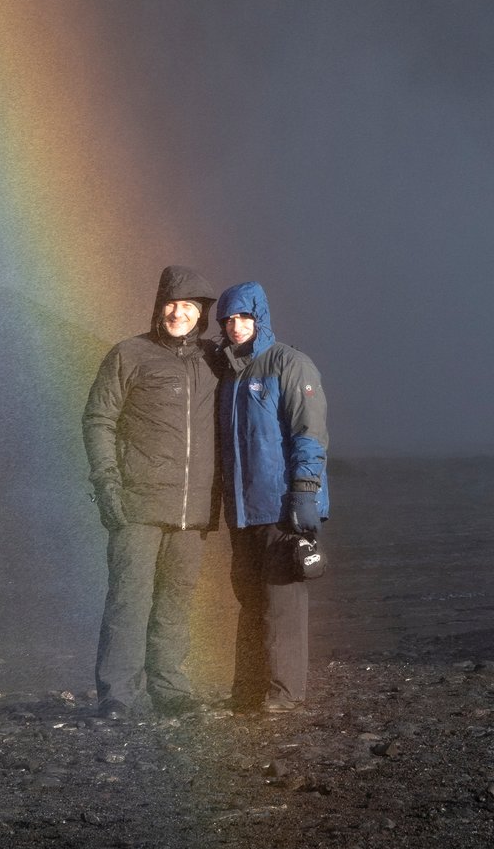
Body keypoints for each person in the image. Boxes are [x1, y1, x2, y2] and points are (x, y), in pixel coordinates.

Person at [81, 264, 219, 719]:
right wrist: (106, 484)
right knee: (128, 599)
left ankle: (169, 688)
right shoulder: (129, 354)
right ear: (160, 307)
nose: (179, 313)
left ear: (202, 313)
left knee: (176, 603)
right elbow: (99, 420)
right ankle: (117, 694)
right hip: (137, 502)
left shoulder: (216, 361)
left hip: (193, 509)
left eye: (190, 306)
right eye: (172, 304)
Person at [213, 281, 328, 713]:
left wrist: (304, 493)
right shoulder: (230, 373)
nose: (235, 326)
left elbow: (310, 432)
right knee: (248, 598)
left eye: (244, 317)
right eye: (228, 319)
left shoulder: (289, 363)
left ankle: (285, 692)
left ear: (260, 318)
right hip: (244, 509)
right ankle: (247, 690)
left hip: (282, 506)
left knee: (283, 602)